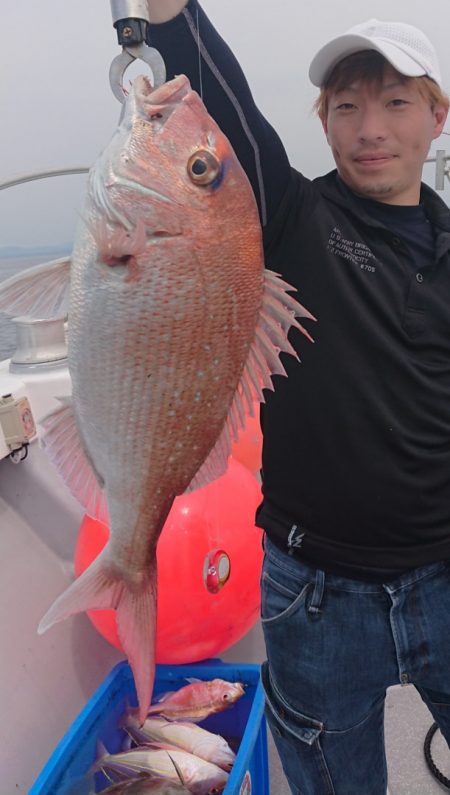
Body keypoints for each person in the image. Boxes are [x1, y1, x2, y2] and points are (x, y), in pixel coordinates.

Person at [146, 4, 450, 793]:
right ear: (323, 123)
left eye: (394, 101)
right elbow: (228, 109)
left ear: (436, 114)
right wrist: (171, 16)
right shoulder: (293, 216)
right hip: (317, 596)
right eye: (346, 106)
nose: (369, 127)